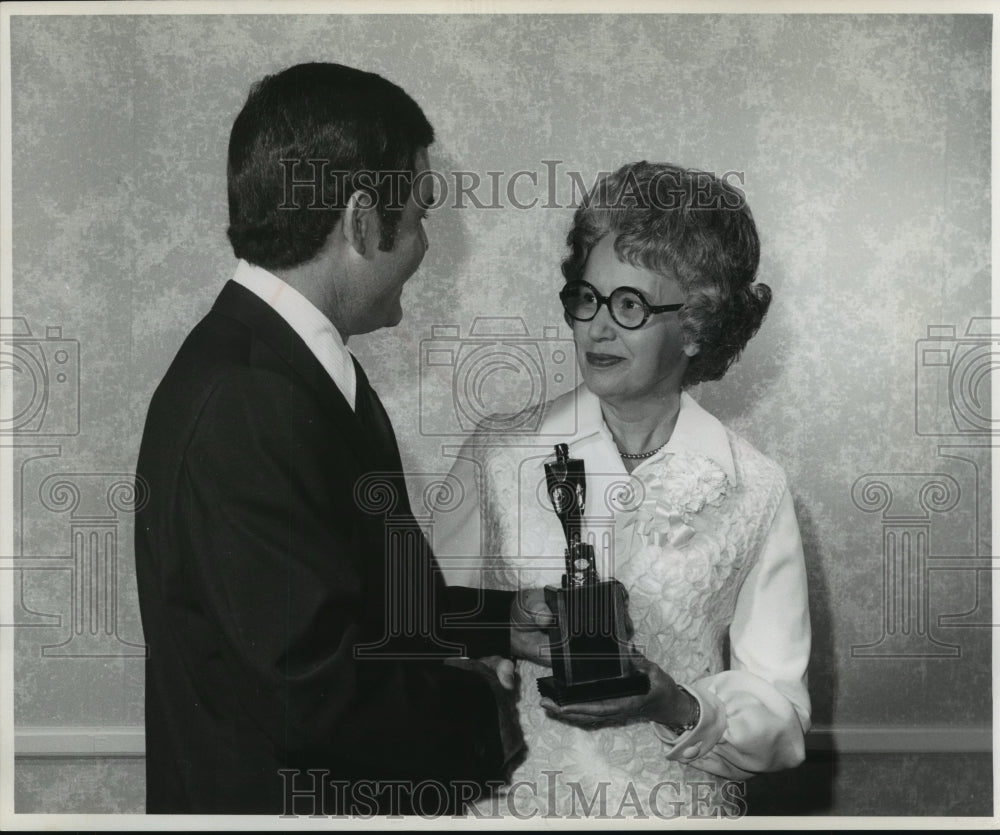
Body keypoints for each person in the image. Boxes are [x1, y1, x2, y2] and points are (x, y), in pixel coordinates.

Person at [134, 62, 550, 816]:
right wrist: (482, 712)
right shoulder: (249, 398)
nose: (423, 245)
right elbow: (310, 692)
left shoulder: (296, 369)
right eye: (420, 214)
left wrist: (509, 621)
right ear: (362, 221)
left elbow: (364, 606)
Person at [433, 161, 811, 818]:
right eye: (587, 297)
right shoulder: (498, 450)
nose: (597, 327)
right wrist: (484, 653)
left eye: (629, 304)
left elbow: (782, 715)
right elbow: (420, 620)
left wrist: (675, 702)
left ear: (696, 326)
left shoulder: (755, 486)